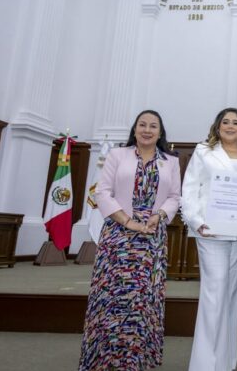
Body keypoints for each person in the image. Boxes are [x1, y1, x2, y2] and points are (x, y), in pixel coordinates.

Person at [79, 110, 181, 370]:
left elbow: (174, 197)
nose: (147, 130)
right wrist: (127, 221)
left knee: (142, 300)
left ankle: (136, 360)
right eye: (142, 125)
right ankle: (104, 359)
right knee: (112, 297)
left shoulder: (170, 161)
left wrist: (159, 215)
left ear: (160, 132)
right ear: (135, 129)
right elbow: (102, 192)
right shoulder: (117, 155)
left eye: (153, 126)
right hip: (118, 235)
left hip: (151, 238)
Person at [181, 108, 237, 371]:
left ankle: (226, 363)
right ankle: (204, 365)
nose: (230, 126)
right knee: (213, 293)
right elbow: (190, 187)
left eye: (236, 122)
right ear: (217, 126)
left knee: (230, 295)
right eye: (225, 122)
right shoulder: (203, 151)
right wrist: (196, 221)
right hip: (211, 231)